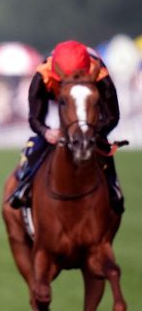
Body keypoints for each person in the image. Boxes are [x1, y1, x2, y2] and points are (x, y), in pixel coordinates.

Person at [7, 40, 123, 213]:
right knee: (36, 144)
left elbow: (112, 116)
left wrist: (94, 132)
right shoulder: (43, 74)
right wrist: (46, 132)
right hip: (57, 101)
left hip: (87, 109)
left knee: (103, 146)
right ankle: (24, 184)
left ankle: (113, 186)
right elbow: (35, 118)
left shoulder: (99, 73)